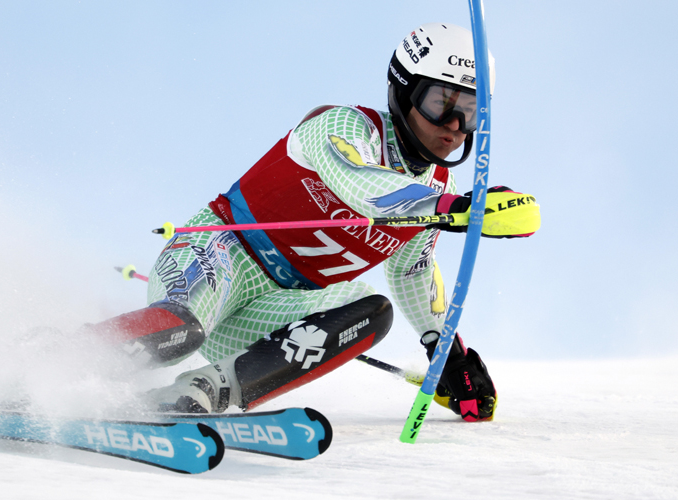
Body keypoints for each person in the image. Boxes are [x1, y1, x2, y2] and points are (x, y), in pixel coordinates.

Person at [90, 23, 540, 422]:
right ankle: (56, 360)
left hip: (273, 310)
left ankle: (202, 392)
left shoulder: (439, 186)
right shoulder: (342, 126)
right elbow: (362, 186)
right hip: (220, 257)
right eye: (442, 103)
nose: (457, 125)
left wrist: (448, 355)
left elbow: (412, 269)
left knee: (372, 312)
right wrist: (454, 207)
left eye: (473, 111)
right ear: (404, 92)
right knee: (180, 332)